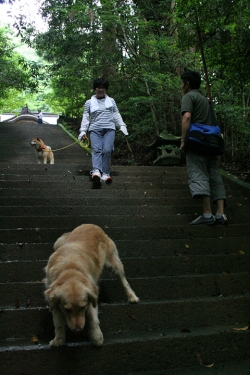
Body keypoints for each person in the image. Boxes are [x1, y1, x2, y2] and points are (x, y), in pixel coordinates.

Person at [180, 69, 227, 225]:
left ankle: (207, 214)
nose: (181, 86)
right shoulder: (206, 100)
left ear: (187, 84)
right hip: (212, 143)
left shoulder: (189, 96)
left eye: (182, 83)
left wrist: (183, 140)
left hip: (198, 143)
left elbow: (187, 117)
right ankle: (220, 213)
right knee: (214, 175)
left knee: (198, 173)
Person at [78, 77, 128, 183]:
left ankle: (105, 173)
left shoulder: (111, 101)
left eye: (103, 87)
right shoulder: (89, 103)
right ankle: (96, 171)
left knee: (107, 150)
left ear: (106, 89)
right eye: (98, 87)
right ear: (95, 89)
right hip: (95, 130)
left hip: (109, 129)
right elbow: (86, 117)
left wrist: (122, 125)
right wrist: (83, 131)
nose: (100, 89)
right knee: (96, 150)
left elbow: (116, 114)